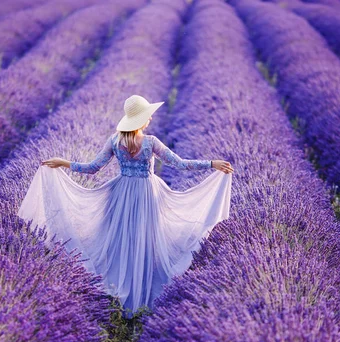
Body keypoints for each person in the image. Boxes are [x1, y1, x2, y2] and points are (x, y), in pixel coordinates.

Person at [17, 94, 233, 318]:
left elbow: (92, 168)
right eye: (147, 116)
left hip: (120, 195)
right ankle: (142, 300)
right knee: (145, 242)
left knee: (121, 242)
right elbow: (179, 164)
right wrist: (211, 164)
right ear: (142, 120)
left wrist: (64, 163)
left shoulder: (115, 141)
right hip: (147, 195)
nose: (149, 120)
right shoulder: (150, 142)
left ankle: (117, 298)